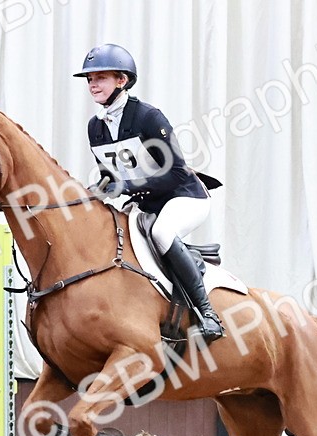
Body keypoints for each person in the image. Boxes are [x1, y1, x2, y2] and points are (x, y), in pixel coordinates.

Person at [75, 44, 224, 341]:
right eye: (90, 79)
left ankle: (208, 314)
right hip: (146, 204)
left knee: (162, 233)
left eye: (100, 77)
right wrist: (94, 192)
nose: (93, 85)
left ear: (122, 80)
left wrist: (127, 187)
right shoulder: (95, 127)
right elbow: (112, 175)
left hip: (185, 197)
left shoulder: (147, 117)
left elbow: (177, 172)